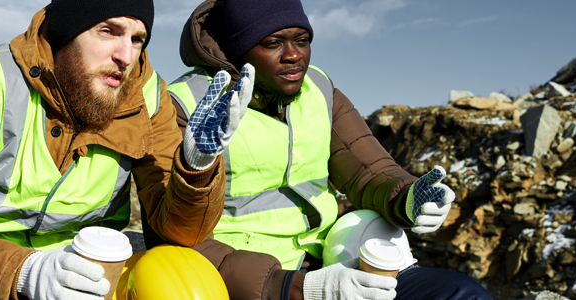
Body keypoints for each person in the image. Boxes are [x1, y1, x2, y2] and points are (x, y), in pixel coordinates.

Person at [0, 0, 255, 299]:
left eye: (138, 38)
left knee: (187, 285)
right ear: (67, 31)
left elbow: (178, 235)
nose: (126, 56)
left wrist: (196, 168)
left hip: (95, 273)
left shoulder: (149, 96)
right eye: (108, 31)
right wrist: (25, 273)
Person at [155, 0, 495, 299]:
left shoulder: (318, 87)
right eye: (273, 43)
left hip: (334, 264)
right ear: (238, 49)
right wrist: (293, 288)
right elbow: (174, 233)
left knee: (461, 294)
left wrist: (408, 197)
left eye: (302, 40)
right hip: (251, 283)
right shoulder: (185, 106)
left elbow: (368, 170)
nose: (293, 55)